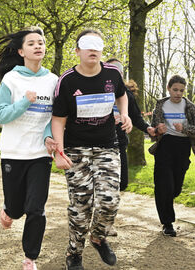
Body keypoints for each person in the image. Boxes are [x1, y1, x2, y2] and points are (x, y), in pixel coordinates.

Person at [52, 29, 132, 270]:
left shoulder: (113, 74)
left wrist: (124, 114)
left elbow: (122, 95)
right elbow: (58, 120)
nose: (93, 49)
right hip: (76, 150)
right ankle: (74, 253)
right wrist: (59, 152)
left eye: (98, 45)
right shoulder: (67, 81)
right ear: (77, 51)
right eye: (87, 45)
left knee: (110, 200)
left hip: (106, 147)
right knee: (81, 206)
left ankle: (98, 238)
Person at [0, 26, 58, 270]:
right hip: (14, 153)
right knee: (17, 209)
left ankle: (30, 258)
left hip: (40, 155)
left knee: (36, 208)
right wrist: (25, 101)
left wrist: (49, 137)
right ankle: (9, 209)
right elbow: (0, 116)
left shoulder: (53, 81)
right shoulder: (11, 79)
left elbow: (54, 118)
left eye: (41, 42)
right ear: (21, 51)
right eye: (31, 43)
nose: (38, 46)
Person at [150, 75, 195, 237]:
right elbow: (153, 129)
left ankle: (171, 196)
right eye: (175, 90)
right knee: (164, 186)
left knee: (175, 188)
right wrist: (157, 130)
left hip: (183, 148)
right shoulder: (161, 105)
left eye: (181, 90)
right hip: (165, 146)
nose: (178, 93)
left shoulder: (190, 107)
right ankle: (167, 223)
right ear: (169, 89)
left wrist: (185, 129)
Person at [107, 58, 155, 192]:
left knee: (122, 184)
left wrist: (148, 128)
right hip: (100, 144)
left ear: (122, 74)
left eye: (119, 71)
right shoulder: (98, 91)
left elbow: (136, 118)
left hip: (119, 142)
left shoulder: (127, 95)